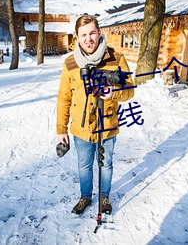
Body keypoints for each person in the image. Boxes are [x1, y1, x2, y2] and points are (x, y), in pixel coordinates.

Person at [56, 15, 134, 215]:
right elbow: (64, 97)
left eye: (92, 33)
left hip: (107, 125)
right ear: (77, 37)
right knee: (84, 165)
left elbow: (130, 90)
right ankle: (85, 197)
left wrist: (113, 93)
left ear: (99, 33)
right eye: (83, 35)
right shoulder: (70, 63)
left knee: (106, 163)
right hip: (81, 128)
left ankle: (105, 197)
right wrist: (61, 129)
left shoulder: (116, 58)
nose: (88, 38)